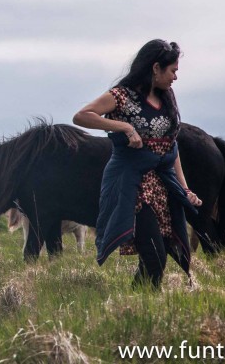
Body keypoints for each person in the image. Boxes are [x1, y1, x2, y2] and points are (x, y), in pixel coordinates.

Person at [73, 39, 202, 288]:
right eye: (173, 70)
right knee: (154, 255)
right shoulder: (122, 96)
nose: (175, 77)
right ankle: (137, 310)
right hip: (132, 187)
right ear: (156, 68)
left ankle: (139, 305)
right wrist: (123, 126)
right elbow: (81, 116)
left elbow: (171, 148)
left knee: (158, 257)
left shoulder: (167, 99)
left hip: (161, 187)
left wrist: (185, 190)